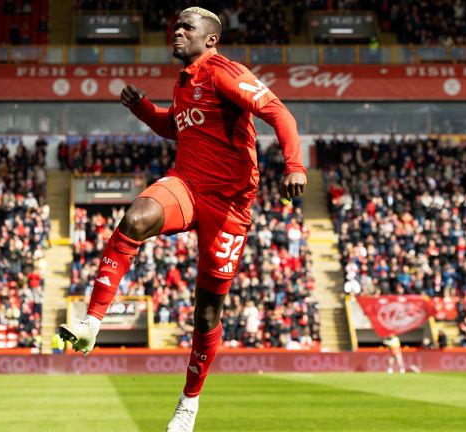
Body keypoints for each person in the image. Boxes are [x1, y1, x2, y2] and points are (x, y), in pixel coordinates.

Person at [57, 7, 306, 431]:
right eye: (175, 27)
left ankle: (189, 402)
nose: (176, 32)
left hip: (229, 206)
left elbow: (279, 113)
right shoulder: (184, 82)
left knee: (207, 313)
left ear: (210, 39)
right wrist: (142, 109)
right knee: (136, 217)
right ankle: (92, 322)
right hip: (187, 185)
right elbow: (176, 127)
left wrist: (294, 165)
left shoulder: (224, 72)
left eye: (186, 28)